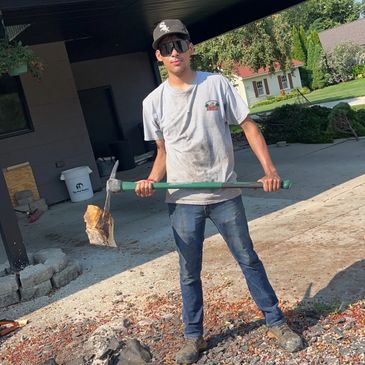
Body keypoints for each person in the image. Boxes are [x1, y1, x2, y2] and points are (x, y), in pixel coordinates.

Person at [135, 19, 303, 364]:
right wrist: (151, 179)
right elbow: (162, 153)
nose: (174, 51)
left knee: (248, 259)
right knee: (188, 271)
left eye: (179, 43)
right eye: (166, 47)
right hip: (183, 201)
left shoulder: (216, 84)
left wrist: (269, 170)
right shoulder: (152, 102)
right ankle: (193, 337)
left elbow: (248, 126)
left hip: (226, 195)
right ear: (158, 56)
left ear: (190, 47)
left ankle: (276, 321)